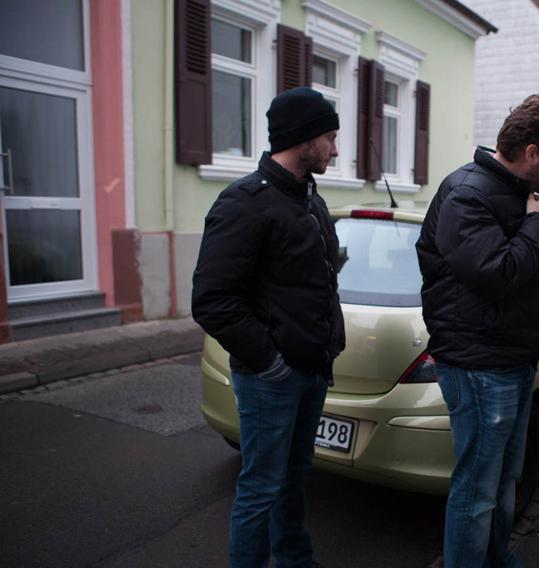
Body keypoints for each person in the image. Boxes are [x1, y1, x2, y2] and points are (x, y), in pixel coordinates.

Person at [416, 93, 539, 566]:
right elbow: (498, 274)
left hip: (510, 360)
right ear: (532, 153)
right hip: (478, 366)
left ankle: (497, 558)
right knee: (476, 489)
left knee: (504, 478)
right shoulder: (468, 193)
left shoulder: (512, 192)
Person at [191, 87, 344, 568]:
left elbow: (307, 278)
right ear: (302, 140)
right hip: (271, 378)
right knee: (261, 487)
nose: (335, 150)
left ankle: (296, 560)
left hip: (313, 368)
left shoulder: (310, 200)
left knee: (295, 475)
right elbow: (212, 301)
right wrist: (270, 363)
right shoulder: (243, 202)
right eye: (330, 138)